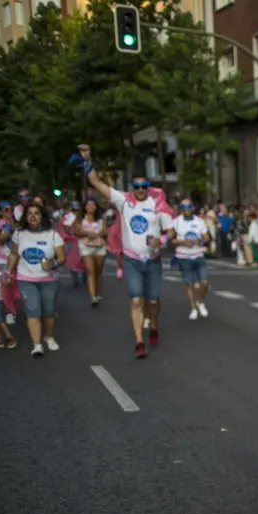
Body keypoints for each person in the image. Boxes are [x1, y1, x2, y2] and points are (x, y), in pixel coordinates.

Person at [78, 143, 171, 358]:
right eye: (136, 186)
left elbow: (171, 232)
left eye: (143, 186)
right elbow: (95, 181)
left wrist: (162, 239)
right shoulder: (123, 201)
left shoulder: (157, 204)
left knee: (154, 301)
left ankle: (154, 325)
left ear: (148, 186)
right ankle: (139, 341)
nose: (139, 189)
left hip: (153, 259)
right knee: (136, 300)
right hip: (131, 260)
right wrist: (87, 159)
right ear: (131, 187)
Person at [7, 203, 66, 357]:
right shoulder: (19, 234)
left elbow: (62, 258)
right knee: (32, 310)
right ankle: (37, 345)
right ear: (25, 217)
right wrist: (8, 271)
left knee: (48, 312)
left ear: (42, 216)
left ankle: (48, 337)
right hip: (25, 278)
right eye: (29, 214)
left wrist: (52, 263)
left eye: (37, 213)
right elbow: (14, 254)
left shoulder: (53, 235)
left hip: (48, 280)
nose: (33, 216)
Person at [167, 199, 210, 320]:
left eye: (188, 207)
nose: (186, 210)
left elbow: (206, 237)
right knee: (189, 283)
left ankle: (200, 302)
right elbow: (171, 240)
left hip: (198, 255)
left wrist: (199, 241)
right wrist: (183, 242)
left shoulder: (199, 221)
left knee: (204, 282)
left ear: (192, 208)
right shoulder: (176, 222)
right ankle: (193, 307)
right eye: (183, 207)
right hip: (184, 256)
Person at [74, 198, 108, 306]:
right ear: (84, 207)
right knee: (90, 271)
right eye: (88, 205)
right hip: (85, 246)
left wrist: (97, 234)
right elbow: (77, 232)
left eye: (93, 205)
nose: (90, 207)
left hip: (99, 246)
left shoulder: (101, 218)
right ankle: (93, 296)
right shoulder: (79, 219)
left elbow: (105, 231)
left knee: (98, 271)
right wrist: (86, 233)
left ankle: (97, 293)